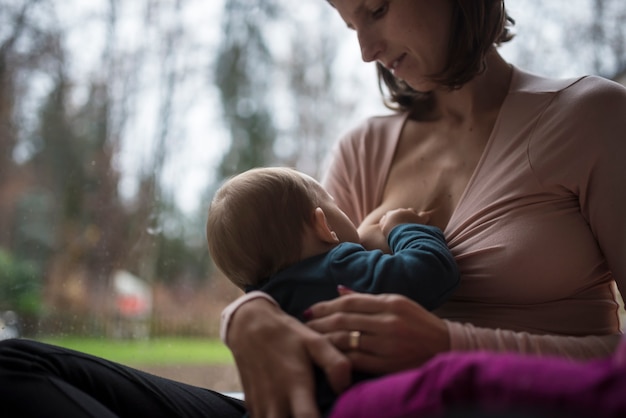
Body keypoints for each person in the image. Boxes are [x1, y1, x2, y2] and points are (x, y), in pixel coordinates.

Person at [0, 1, 625, 417]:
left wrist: (449, 344)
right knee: (14, 369)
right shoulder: (365, 147)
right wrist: (246, 315)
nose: (365, 49)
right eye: (349, 21)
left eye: (375, 8)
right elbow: (309, 275)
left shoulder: (591, 119)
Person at [206, 166, 460, 413]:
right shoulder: (340, 265)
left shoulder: (265, 303)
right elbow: (432, 272)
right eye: (335, 205)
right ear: (323, 224)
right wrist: (404, 228)